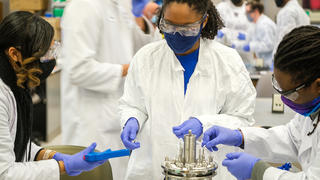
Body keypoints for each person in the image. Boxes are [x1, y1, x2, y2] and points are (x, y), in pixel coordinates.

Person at [119, 0, 256, 179]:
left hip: (208, 170)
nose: (176, 34)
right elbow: (133, 104)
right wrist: (132, 119)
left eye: (186, 29)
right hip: (154, 167)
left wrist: (204, 124)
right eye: (168, 25)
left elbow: (243, 118)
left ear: (203, 21)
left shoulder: (228, 62)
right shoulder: (145, 58)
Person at [202, 25, 320, 180]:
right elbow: (291, 138)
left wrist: (259, 171)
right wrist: (240, 136)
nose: (284, 100)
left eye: (290, 94)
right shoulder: (312, 110)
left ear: (317, 85)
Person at [0, 11, 108, 179]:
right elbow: (5, 173)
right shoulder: (2, 94)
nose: (50, 60)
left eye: (52, 50)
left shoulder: (15, 85)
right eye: (44, 54)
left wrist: (48, 155)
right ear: (14, 54)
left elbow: (15, 144)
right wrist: (64, 166)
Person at [59, 0, 159, 179]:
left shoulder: (120, 4)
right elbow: (77, 70)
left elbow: (141, 47)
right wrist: (127, 69)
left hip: (116, 116)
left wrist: (142, 21)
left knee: (117, 172)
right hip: (91, 122)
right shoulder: (83, 6)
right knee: (95, 173)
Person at [234, 0, 276, 69]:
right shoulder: (256, 24)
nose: (246, 15)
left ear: (256, 11)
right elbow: (252, 40)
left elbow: (269, 45)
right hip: (262, 61)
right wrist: (236, 44)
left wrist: (250, 46)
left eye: (248, 12)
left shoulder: (265, 24)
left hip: (270, 62)